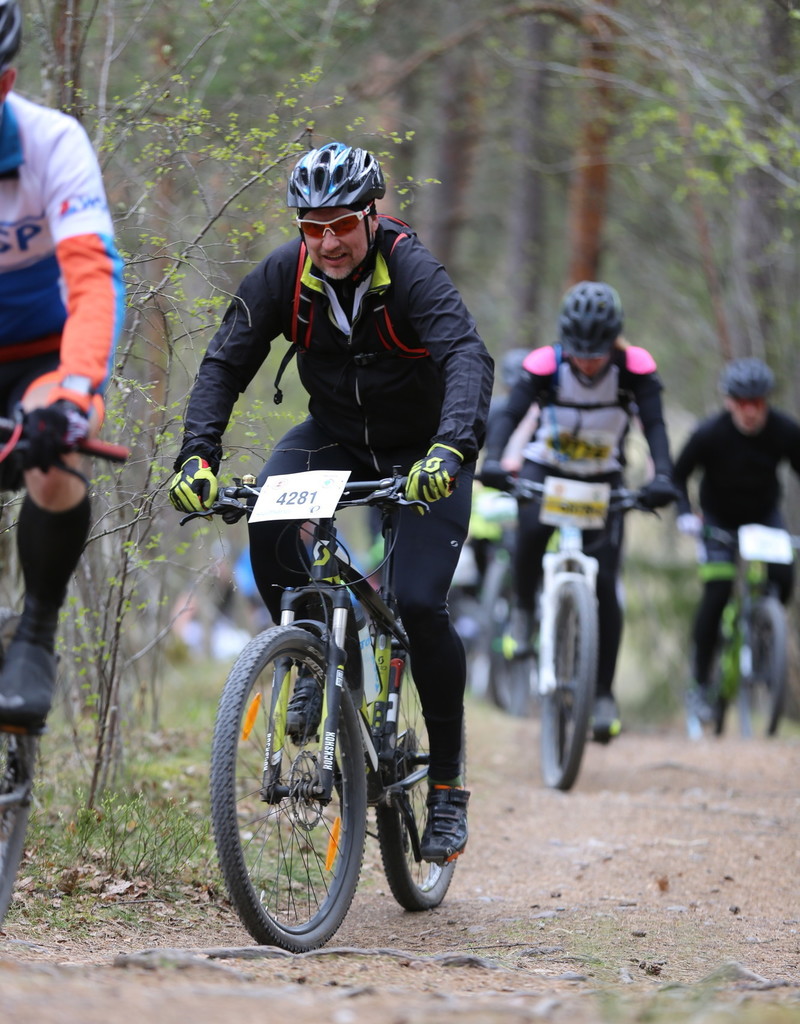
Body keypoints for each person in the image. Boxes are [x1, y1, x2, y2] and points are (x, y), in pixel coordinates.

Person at [169, 141, 493, 864]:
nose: (328, 241)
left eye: (341, 223)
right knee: (271, 518)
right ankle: (312, 650)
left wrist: (450, 448)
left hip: (423, 452)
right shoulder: (287, 275)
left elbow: (467, 355)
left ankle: (445, 784)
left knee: (418, 603)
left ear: (371, 216)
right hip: (336, 439)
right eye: (312, 227)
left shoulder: (410, 270)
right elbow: (225, 360)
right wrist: (198, 455)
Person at [0, 0, 125, 728]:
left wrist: (70, 398)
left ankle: (36, 634)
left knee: (53, 461)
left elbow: (93, 282)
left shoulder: (53, 144)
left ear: (7, 78)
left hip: (47, 355)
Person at [481, 280, 677, 741]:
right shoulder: (544, 364)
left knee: (606, 581)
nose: (588, 362)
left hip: (602, 480)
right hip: (546, 469)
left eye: (598, 353)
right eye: (579, 352)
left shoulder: (635, 368)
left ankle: (603, 693)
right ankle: (526, 610)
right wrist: (493, 460)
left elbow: (655, 425)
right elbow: (509, 415)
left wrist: (663, 476)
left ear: (614, 342)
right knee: (529, 533)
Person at [673, 356, 800, 724]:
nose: (750, 412)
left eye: (757, 403)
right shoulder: (709, 433)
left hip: (763, 517)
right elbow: (678, 476)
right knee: (717, 590)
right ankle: (699, 681)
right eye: (742, 403)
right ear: (729, 402)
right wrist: (685, 513)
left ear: (766, 402)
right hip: (717, 521)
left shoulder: (784, 430)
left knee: (783, 576)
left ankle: (764, 633)